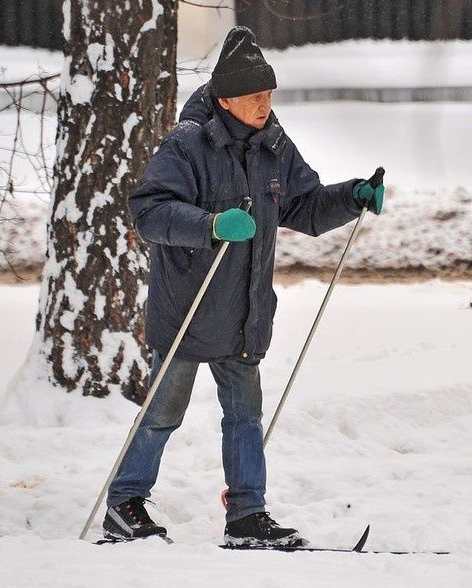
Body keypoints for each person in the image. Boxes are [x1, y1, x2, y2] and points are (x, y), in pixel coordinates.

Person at [103, 26, 385, 547]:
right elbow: (149, 212)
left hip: (245, 312)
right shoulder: (187, 144)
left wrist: (352, 197)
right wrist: (210, 225)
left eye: (270, 94)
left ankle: (246, 516)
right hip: (188, 306)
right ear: (227, 98)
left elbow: (304, 206)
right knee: (162, 415)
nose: (265, 104)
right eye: (256, 95)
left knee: (245, 418)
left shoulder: (274, 145)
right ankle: (124, 504)